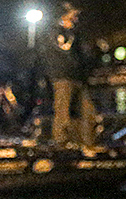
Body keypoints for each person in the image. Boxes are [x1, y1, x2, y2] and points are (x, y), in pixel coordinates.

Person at [42, 2, 96, 148]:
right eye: (74, 15)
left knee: (87, 111)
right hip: (62, 76)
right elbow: (62, 50)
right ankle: (61, 143)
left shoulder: (76, 33)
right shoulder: (54, 32)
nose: (76, 19)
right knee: (63, 111)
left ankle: (86, 142)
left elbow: (84, 53)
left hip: (78, 77)